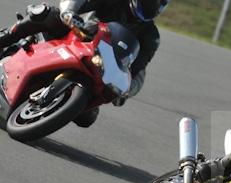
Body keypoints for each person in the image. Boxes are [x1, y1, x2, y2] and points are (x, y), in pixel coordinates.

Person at [0, 0, 169, 127]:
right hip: (77, 35)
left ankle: (40, 111)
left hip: (101, 66)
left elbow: (138, 70)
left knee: (87, 117)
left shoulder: (151, 36)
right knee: (46, 14)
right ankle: (4, 38)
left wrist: (126, 92)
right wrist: (69, 12)